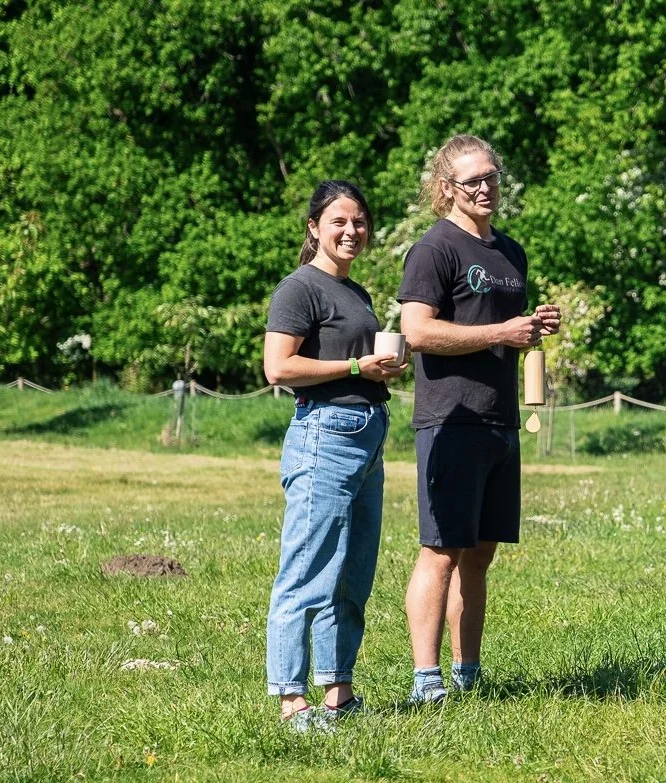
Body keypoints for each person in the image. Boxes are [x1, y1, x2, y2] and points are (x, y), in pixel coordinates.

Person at [397, 135, 561, 703]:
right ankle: (426, 681)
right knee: (440, 549)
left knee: (481, 553)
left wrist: (530, 328)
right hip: (449, 418)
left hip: (500, 420)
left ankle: (468, 673)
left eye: (492, 177)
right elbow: (417, 332)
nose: (487, 188)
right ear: (447, 189)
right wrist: (500, 332)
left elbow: (499, 327)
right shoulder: (433, 249)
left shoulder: (510, 252)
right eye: (474, 181)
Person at [264, 180, 408, 730]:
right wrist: (354, 369)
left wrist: (382, 367)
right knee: (306, 570)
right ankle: (291, 699)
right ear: (314, 228)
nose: (352, 231)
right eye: (339, 222)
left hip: (368, 433)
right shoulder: (299, 288)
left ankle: (338, 694)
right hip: (325, 433)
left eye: (360, 222)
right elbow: (278, 369)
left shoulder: (358, 293)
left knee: (352, 572)